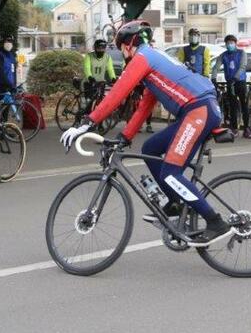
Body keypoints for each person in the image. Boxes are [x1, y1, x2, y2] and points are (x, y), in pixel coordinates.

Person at [60, 20, 231, 243]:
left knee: (171, 173)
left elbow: (117, 94)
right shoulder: (154, 63)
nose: (123, 54)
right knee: (150, 148)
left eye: (121, 48)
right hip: (198, 111)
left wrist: (86, 123)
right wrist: (124, 137)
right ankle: (176, 202)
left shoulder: (144, 57)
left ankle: (215, 222)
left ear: (129, 44)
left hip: (198, 111)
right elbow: (144, 108)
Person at [211, 34, 251, 139]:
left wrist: (236, 77)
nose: (230, 45)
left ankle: (247, 128)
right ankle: (234, 128)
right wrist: (214, 78)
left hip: (240, 82)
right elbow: (215, 67)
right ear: (225, 44)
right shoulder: (223, 55)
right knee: (232, 107)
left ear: (235, 43)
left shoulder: (241, 53)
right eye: (228, 43)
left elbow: (243, 66)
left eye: (232, 43)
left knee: (244, 106)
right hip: (230, 83)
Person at [82, 39, 116, 115]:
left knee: (100, 102)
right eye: (99, 48)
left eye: (103, 48)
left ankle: (99, 123)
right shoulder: (89, 56)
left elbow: (110, 69)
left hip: (100, 82)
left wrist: (113, 78)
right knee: (90, 101)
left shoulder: (107, 57)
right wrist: (90, 77)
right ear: (95, 48)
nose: (101, 50)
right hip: (89, 82)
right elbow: (86, 68)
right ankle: (85, 116)